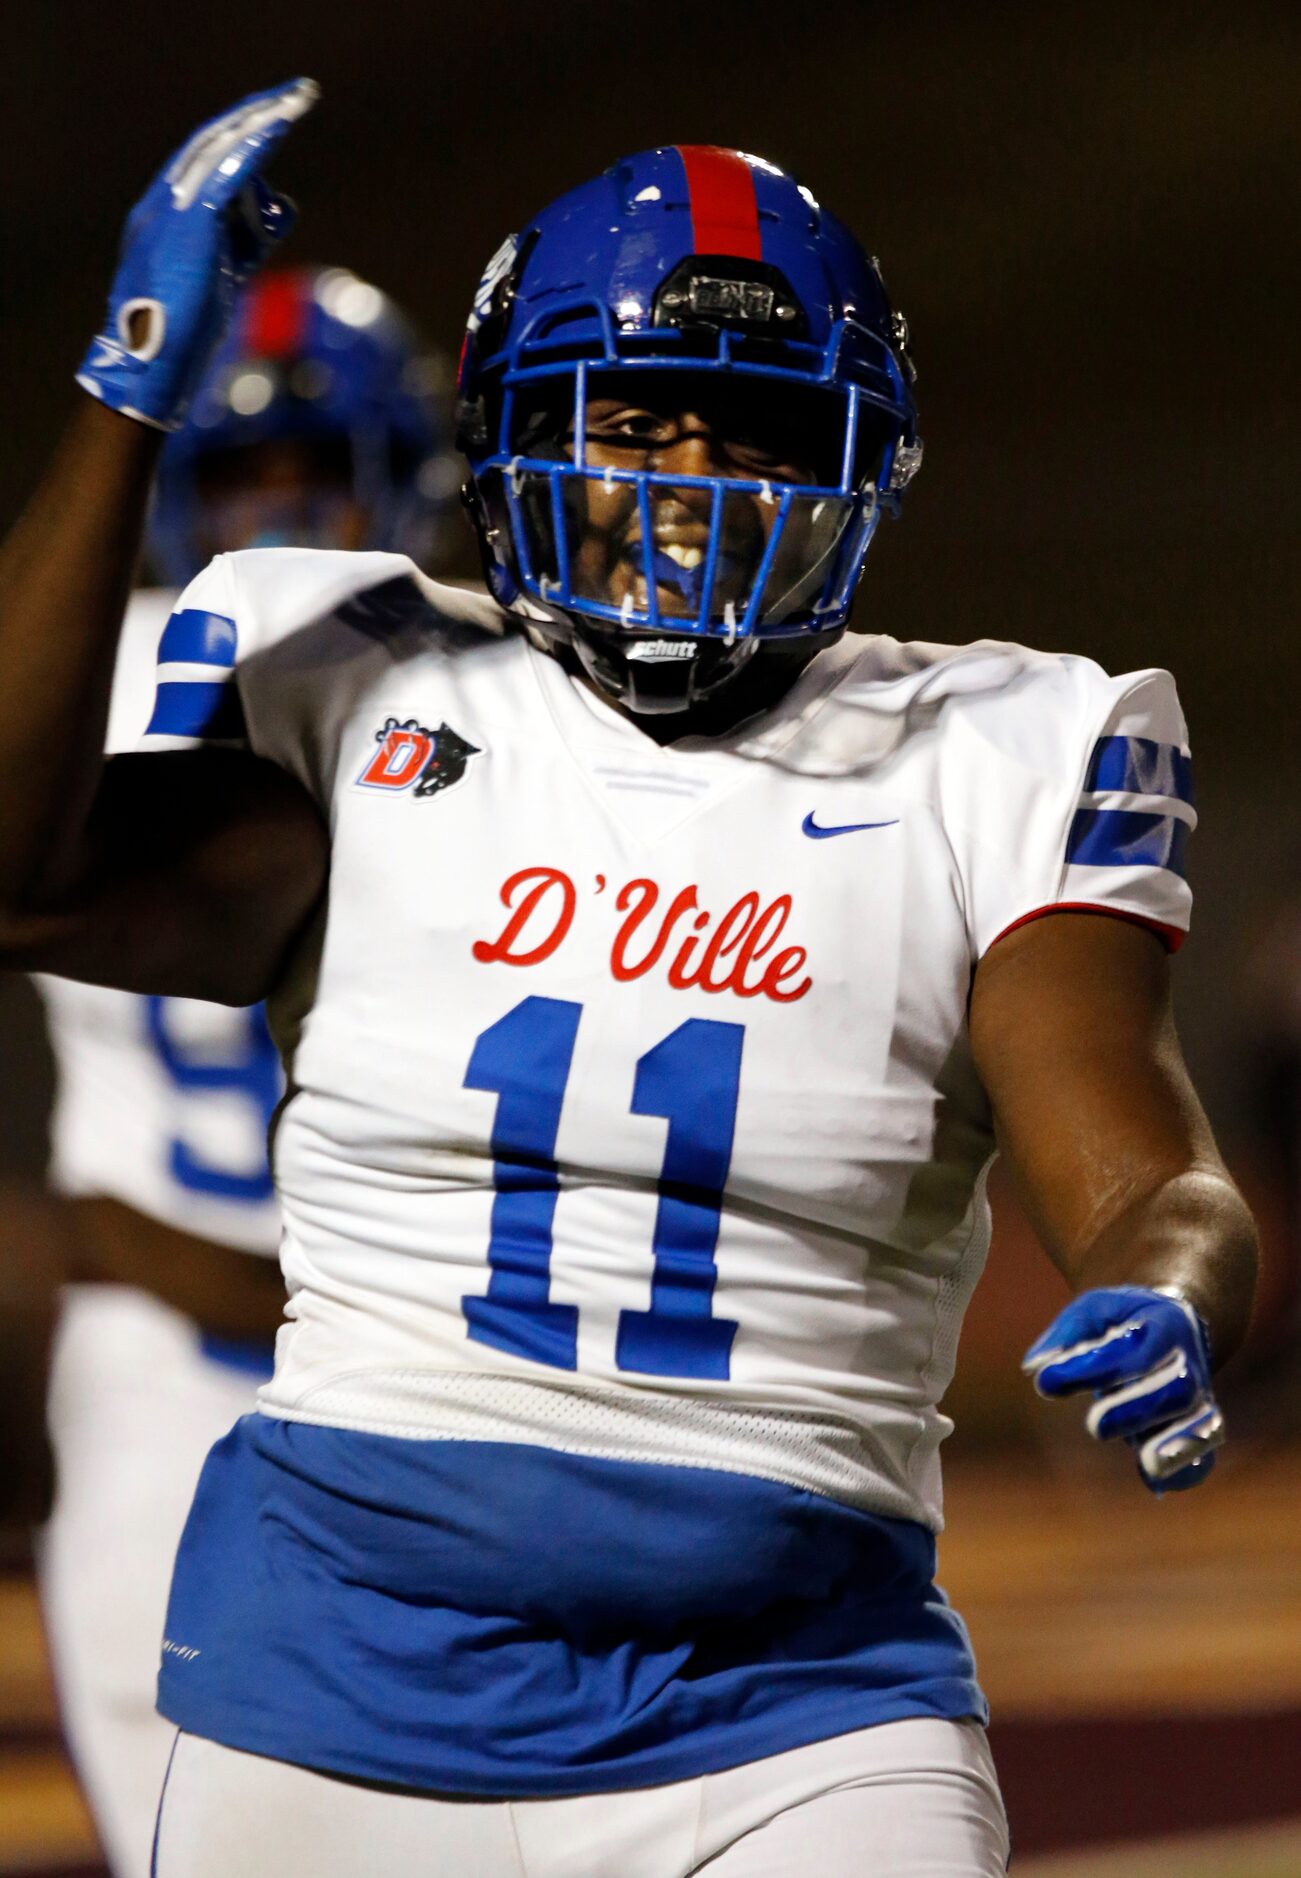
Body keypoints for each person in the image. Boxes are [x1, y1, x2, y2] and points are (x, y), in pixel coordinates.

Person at [0, 82, 1257, 1878]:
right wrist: (127, 388)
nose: (682, 489)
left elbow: (1145, 1171)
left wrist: (1174, 1283)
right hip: (335, 1689)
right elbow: (17, 875)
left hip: (798, 1701)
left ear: (857, 463)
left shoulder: (996, 746)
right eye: (631, 425)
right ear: (512, 447)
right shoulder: (367, 686)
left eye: (748, 433)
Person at [29, 259, 454, 1878]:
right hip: (243, 1356)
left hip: (321, 1351)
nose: (276, 527)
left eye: (308, 480)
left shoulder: (81, 674)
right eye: (241, 481)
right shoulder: (472, 685)